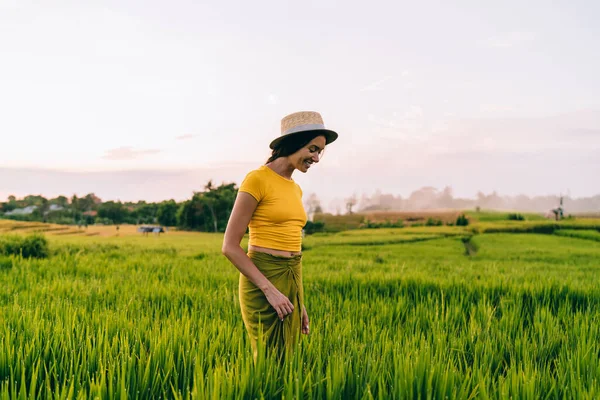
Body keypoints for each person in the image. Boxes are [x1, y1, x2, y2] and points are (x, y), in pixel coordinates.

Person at [222, 111, 338, 362]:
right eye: (313, 149)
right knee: (268, 359)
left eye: (320, 152)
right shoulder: (257, 179)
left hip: (292, 275)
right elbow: (230, 246)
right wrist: (268, 289)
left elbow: (291, 244)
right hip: (263, 276)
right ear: (295, 144)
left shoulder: (295, 188)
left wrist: (299, 298)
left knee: (288, 359)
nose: (317, 158)